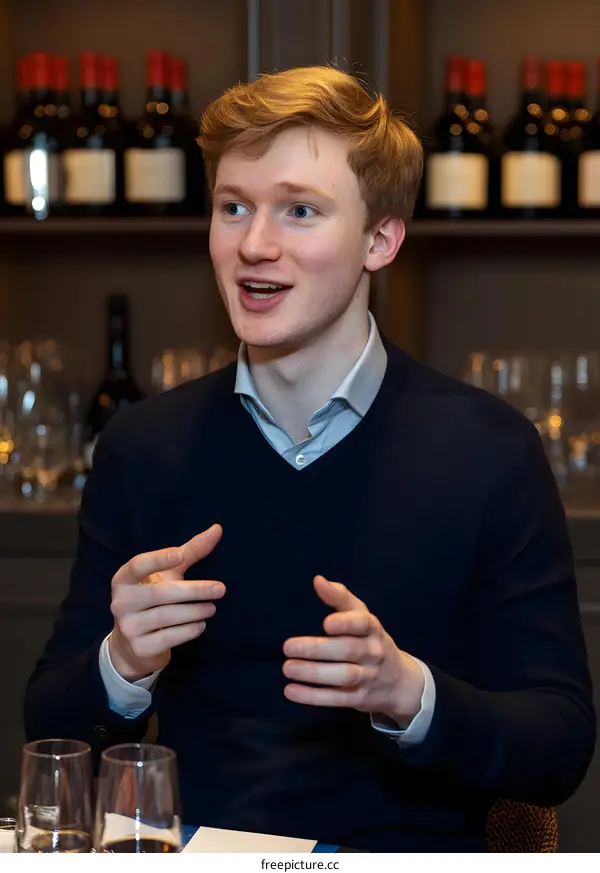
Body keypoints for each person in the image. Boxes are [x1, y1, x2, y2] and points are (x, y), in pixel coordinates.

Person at [25, 65, 595, 852]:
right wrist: (123, 659)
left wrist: (408, 693)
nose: (255, 246)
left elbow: (559, 744)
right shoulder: (143, 447)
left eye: (299, 210)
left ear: (380, 238)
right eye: (233, 208)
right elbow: (49, 723)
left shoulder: (490, 451)